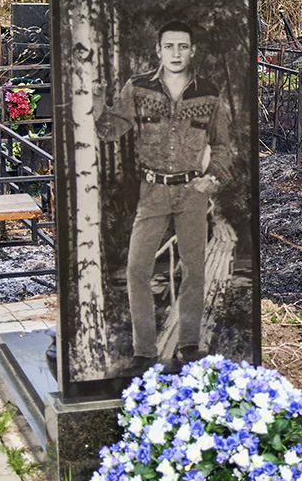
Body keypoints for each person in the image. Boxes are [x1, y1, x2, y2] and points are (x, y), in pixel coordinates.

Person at [95, 20, 232, 375]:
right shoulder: (138, 88)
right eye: (168, 46)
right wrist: (94, 104)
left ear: (192, 51)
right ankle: (144, 351)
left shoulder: (209, 93)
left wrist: (212, 179)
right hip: (152, 191)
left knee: (194, 271)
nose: (175, 53)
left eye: (182, 46)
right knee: (137, 268)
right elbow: (111, 129)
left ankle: (188, 345)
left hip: (192, 192)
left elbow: (222, 146)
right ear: (158, 50)